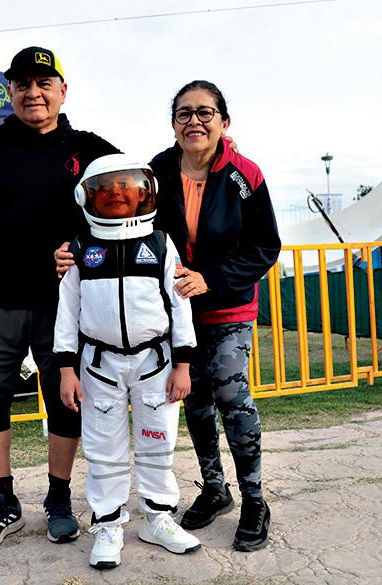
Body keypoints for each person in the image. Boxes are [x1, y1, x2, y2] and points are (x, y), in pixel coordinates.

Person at [0, 46, 119, 552]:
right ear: (10, 92)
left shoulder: (89, 149)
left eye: (44, 83)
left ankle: (58, 499)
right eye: (22, 84)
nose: (33, 93)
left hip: (64, 305)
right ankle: (2, 502)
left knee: (65, 401)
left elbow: (141, 185)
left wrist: (205, 151)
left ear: (63, 91)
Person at [149, 80, 281, 551]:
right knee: (196, 400)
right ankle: (214, 488)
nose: (194, 121)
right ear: (173, 124)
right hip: (178, 308)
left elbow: (265, 247)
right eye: (184, 113)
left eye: (205, 112)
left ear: (224, 122)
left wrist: (213, 278)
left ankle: (254, 499)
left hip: (229, 304)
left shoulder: (245, 174)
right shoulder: (157, 171)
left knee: (231, 394)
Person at [54, 154, 201, 569]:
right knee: (104, 449)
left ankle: (158, 518)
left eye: (126, 188)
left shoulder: (160, 244)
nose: (116, 195)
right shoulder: (80, 249)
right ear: (87, 197)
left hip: (156, 363)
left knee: (158, 442)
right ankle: (108, 524)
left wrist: (183, 364)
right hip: (99, 366)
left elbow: (180, 306)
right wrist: (66, 369)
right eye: (106, 189)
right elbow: (67, 311)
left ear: (145, 194)